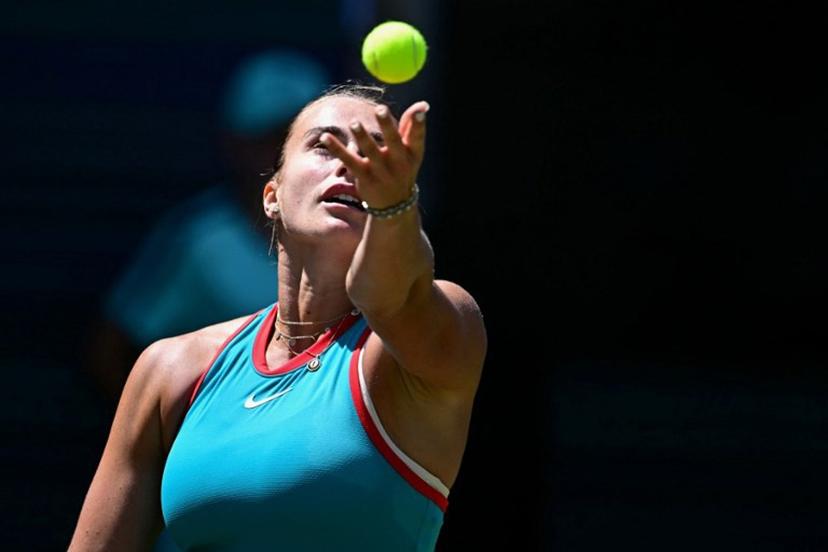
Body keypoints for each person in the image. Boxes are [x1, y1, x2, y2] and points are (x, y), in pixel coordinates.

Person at [69, 83, 487, 551]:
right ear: (272, 195)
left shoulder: (435, 334)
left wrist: (392, 210)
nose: (353, 165)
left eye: (378, 154)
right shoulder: (169, 372)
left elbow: (389, 296)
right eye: (326, 146)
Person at [85, 49, 330, 404]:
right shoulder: (197, 238)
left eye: (307, 140)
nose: (285, 155)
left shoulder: (356, 234)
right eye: (272, 137)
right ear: (236, 144)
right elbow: (110, 351)